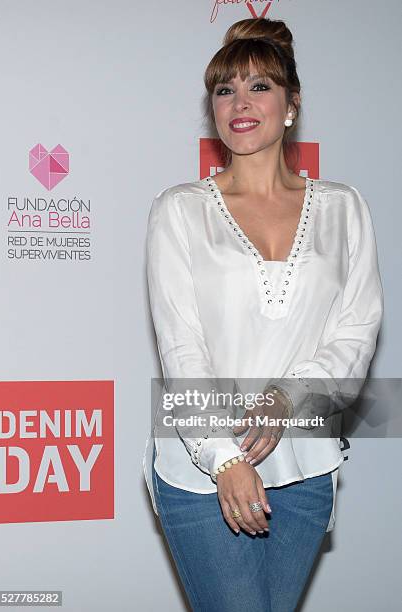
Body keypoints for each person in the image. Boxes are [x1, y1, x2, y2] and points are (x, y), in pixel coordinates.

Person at [143, 16, 384, 612]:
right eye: (225, 90)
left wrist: (286, 396)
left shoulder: (344, 207)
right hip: (202, 472)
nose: (240, 104)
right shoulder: (178, 211)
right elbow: (182, 348)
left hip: (305, 468)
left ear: (292, 103)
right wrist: (225, 457)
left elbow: (355, 333)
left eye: (260, 87)